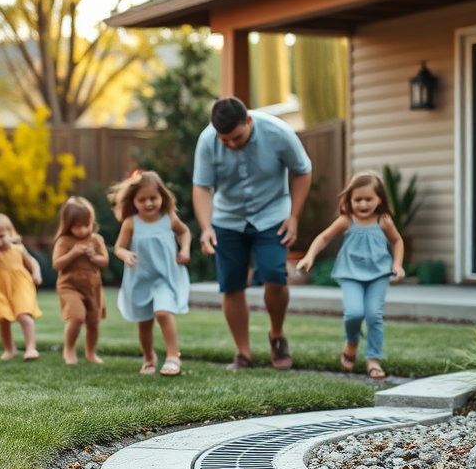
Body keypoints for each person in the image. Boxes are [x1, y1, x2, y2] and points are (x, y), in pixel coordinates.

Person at [192, 96, 312, 371]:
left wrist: (294, 217)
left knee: (275, 276)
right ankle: (243, 352)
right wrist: (206, 226)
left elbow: (302, 171)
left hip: (272, 214)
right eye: (225, 141)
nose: (231, 145)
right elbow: (201, 186)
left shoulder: (279, 133)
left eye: (236, 137)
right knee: (232, 285)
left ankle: (277, 335)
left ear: (248, 120)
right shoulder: (207, 140)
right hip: (227, 218)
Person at [296, 171, 405, 379]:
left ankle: (373, 359)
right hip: (351, 274)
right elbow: (324, 237)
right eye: (358, 200)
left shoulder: (384, 221)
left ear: (379, 199)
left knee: (374, 315)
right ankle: (352, 341)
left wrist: (397, 264)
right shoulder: (347, 220)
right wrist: (310, 256)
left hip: (378, 274)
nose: (363, 204)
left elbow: (397, 241)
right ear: (349, 200)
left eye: (368, 199)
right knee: (354, 313)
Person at [109, 170, 191, 376]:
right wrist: (125, 254)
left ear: (162, 197)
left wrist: (185, 249)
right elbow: (118, 247)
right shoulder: (131, 223)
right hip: (141, 279)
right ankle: (148, 358)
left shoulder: (169, 218)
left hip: (164, 277)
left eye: (153, 198)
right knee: (144, 323)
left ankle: (173, 356)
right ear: (133, 201)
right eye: (142, 199)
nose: (148, 204)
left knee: (163, 312)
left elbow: (184, 232)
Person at [0, 212, 43, 361]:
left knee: (24, 316)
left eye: (1, 236)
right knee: (3, 320)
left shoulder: (18, 249)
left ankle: (31, 348)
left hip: (21, 285)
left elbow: (32, 261)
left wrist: (36, 273)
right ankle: (9, 350)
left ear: (10, 233)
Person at [51, 196, 109, 365]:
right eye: (78, 226)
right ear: (68, 225)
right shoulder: (64, 241)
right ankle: (69, 350)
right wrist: (74, 253)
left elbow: (104, 262)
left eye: (88, 224)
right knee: (76, 317)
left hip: (92, 287)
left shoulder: (96, 240)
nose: (84, 230)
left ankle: (91, 353)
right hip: (70, 286)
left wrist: (93, 256)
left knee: (93, 322)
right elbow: (56, 264)